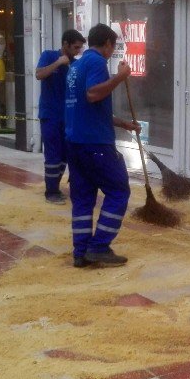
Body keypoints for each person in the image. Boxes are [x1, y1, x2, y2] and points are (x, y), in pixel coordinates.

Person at [65, 23, 140, 268]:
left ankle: (81, 252)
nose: (112, 51)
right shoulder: (96, 62)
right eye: (113, 46)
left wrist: (123, 124)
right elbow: (93, 95)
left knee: (84, 199)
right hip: (95, 144)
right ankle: (99, 247)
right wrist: (120, 76)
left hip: (75, 143)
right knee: (119, 191)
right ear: (107, 44)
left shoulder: (75, 66)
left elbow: (88, 108)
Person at [35, 29, 85, 204]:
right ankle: (51, 192)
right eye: (75, 48)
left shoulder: (75, 65)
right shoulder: (48, 55)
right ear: (65, 44)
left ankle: (55, 186)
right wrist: (58, 63)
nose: (77, 52)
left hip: (68, 118)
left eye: (80, 48)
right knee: (53, 154)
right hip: (50, 115)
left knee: (65, 154)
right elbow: (39, 74)